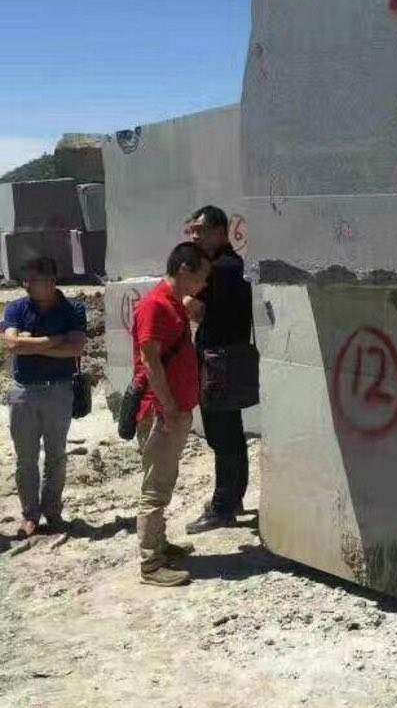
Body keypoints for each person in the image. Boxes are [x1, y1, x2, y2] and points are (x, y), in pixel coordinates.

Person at [133, 242, 210, 587]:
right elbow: (150, 362)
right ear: (184, 270)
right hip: (161, 412)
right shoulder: (155, 306)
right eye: (201, 277)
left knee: (164, 479)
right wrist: (169, 409)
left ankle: (160, 545)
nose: (203, 285)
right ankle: (151, 564)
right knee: (155, 489)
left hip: (172, 411)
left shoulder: (174, 303)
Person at [3, 257, 87, 539]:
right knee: (25, 458)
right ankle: (30, 515)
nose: (26, 285)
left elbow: (75, 348)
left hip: (58, 391)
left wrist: (31, 344)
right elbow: (12, 343)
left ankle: (52, 513)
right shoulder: (16, 307)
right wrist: (53, 339)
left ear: (51, 282)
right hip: (24, 392)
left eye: (32, 280)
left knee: (56, 456)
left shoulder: (73, 308)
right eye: (24, 280)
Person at [183, 205, 253, 534]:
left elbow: (197, 311)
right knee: (231, 433)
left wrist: (184, 298)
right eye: (192, 231)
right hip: (225, 358)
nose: (194, 237)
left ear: (220, 232)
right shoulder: (230, 264)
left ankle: (222, 507)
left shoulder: (220, 269)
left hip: (218, 361)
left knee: (222, 434)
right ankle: (233, 499)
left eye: (201, 231)